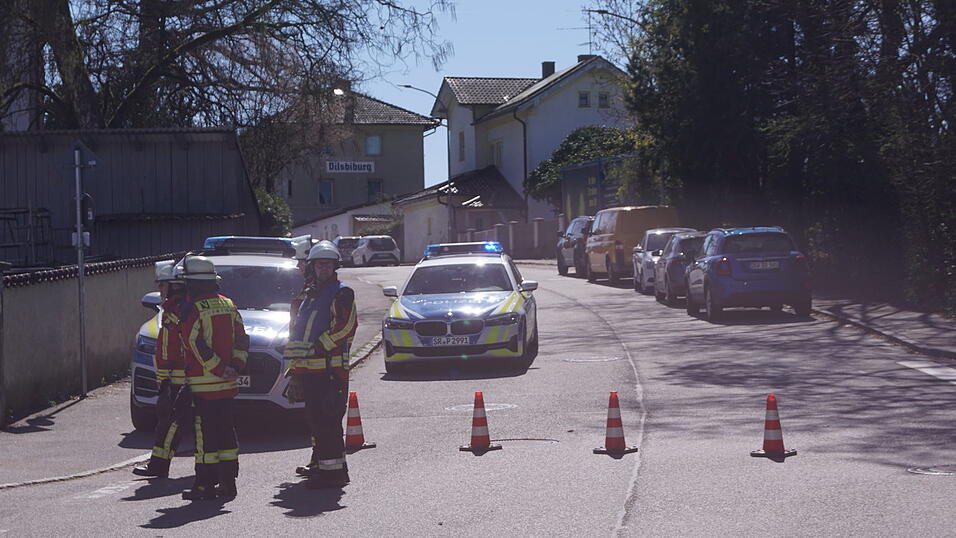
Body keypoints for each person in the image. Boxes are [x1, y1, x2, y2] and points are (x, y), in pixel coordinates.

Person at [283, 240, 357, 488]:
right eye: (319, 265)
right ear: (312, 268)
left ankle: (333, 474)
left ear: (335, 266)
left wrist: (320, 345)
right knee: (316, 421)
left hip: (330, 372)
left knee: (328, 423)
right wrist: (294, 371)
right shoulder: (310, 295)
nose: (323, 269)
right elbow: (298, 334)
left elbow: (345, 327)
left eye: (327, 265)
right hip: (310, 372)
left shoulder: (342, 292)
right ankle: (321, 466)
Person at [177, 256, 247, 500]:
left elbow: (193, 343)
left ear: (191, 283)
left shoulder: (192, 309)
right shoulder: (229, 304)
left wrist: (217, 368)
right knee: (227, 432)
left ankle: (204, 486)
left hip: (204, 385)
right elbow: (242, 339)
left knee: (205, 436)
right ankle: (228, 484)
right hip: (228, 385)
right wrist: (235, 367)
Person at [132, 261, 189, 478]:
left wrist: (168, 380)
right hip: (176, 379)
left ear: (175, 286)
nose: (160, 291)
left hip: (181, 380)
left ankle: (158, 466)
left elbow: (178, 349)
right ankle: (216, 471)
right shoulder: (172, 310)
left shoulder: (180, 311)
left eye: (163, 286)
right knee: (172, 423)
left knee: (170, 423)